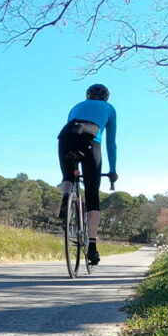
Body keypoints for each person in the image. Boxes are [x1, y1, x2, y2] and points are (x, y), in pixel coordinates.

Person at [57, 83, 117, 264]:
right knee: (92, 194)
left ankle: (66, 195)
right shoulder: (109, 108)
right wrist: (113, 170)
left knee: (68, 176)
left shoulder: (76, 106)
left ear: (87, 96)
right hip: (91, 143)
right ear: (106, 97)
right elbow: (111, 143)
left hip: (65, 139)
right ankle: (92, 247)